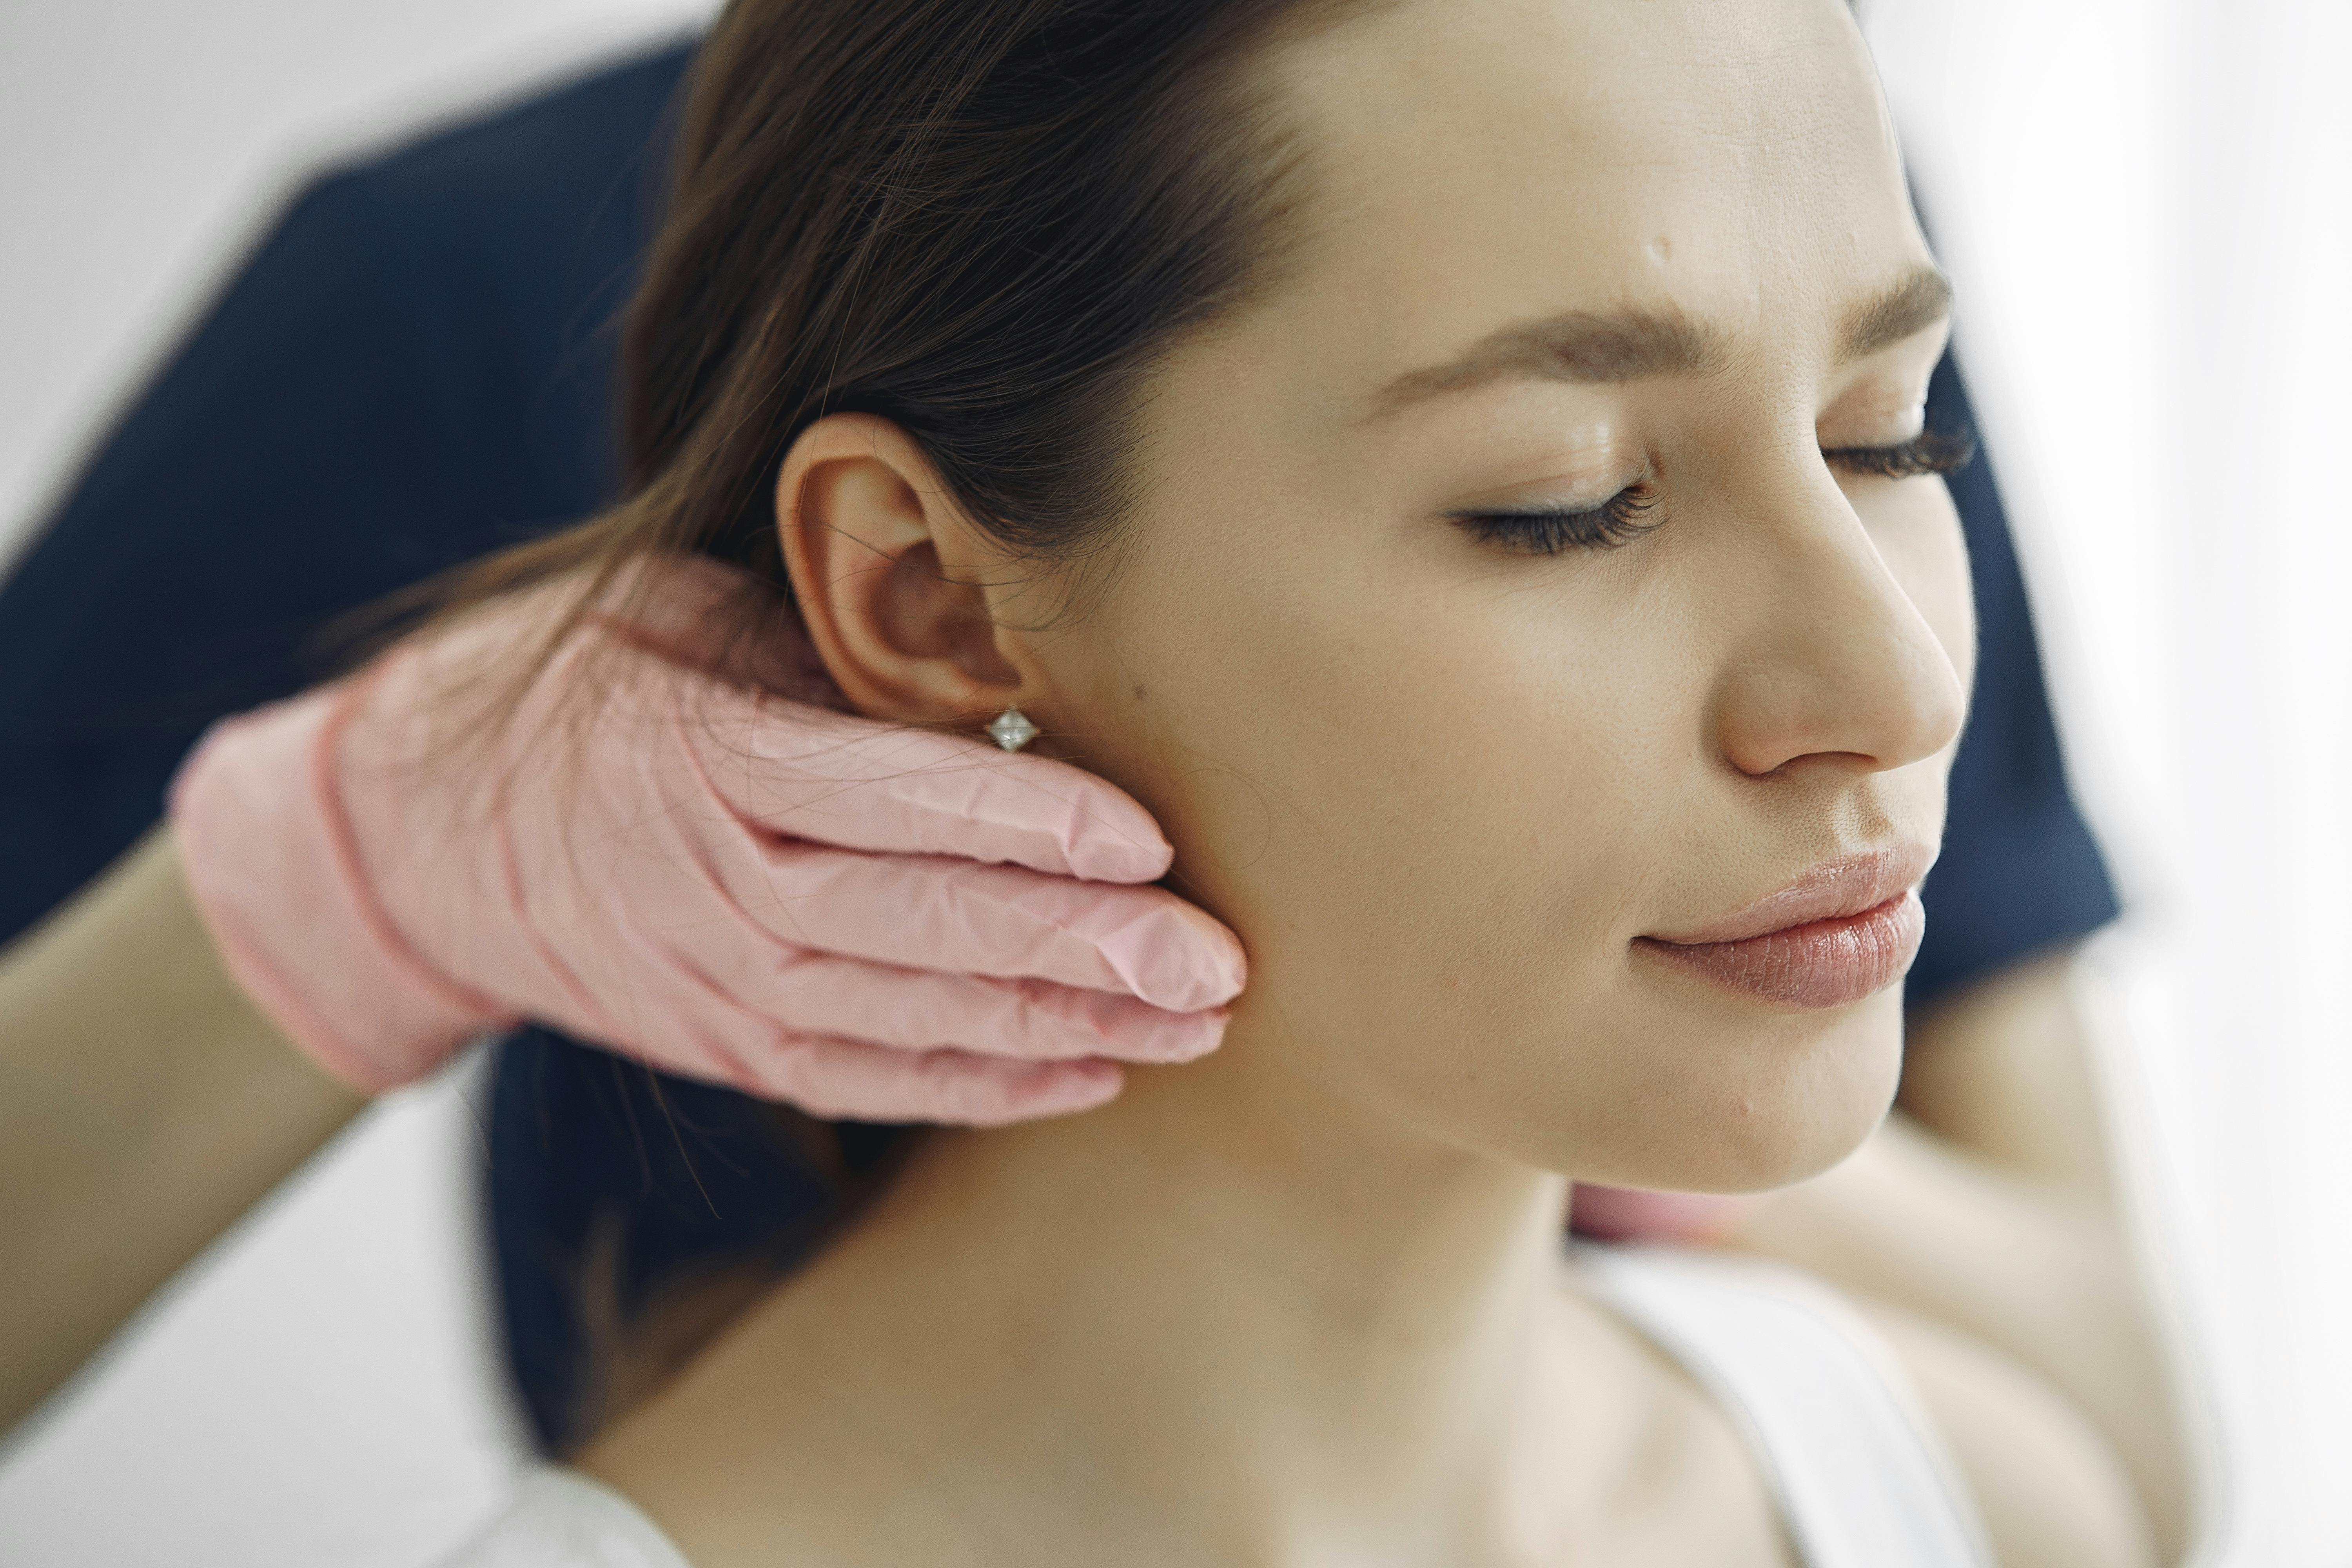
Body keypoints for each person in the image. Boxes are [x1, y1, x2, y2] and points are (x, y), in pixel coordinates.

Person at [4, 0, 2194, 1562]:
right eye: (1560, 502)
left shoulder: (1726, 124)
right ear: (934, 606)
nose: (1891, 680)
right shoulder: (456, 288)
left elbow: (2131, 1437)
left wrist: (1644, 1085)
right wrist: (340, 884)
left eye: (1890, 432)